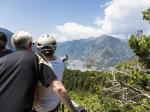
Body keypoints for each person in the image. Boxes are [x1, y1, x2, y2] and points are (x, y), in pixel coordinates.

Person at [0, 31, 77, 112]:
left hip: (38, 108)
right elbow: (59, 87)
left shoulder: (33, 63)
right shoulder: (59, 62)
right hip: (55, 104)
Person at [33, 34, 68, 112]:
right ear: (54, 48)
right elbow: (59, 60)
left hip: (40, 108)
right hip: (55, 104)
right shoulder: (60, 63)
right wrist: (65, 58)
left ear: (38, 49)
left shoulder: (38, 67)